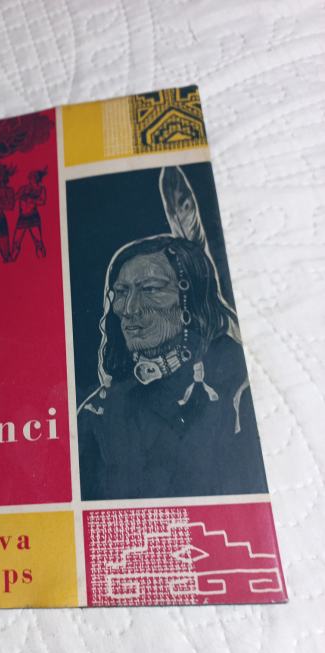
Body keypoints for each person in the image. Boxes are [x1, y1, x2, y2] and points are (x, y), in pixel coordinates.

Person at [77, 169, 268, 501]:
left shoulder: (237, 391)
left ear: (190, 299)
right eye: (121, 293)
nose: (130, 309)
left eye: (150, 289)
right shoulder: (99, 413)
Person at [11, 167, 47, 259]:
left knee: (38, 241)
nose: (30, 178)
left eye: (33, 177)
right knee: (16, 241)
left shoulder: (41, 188)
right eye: (30, 177)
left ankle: (42, 257)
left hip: (33, 216)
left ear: (36, 178)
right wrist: (19, 195)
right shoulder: (24, 188)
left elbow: (43, 201)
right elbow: (15, 197)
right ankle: (13, 258)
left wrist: (32, 200)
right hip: (23, 217)